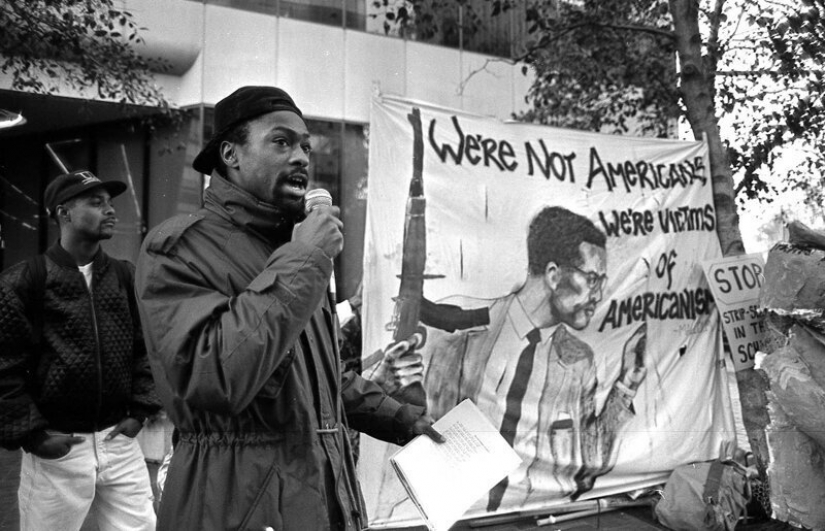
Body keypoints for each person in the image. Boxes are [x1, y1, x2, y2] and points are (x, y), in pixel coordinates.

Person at [135, 86, 442, 531]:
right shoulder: (180, 248)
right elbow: (213, 377)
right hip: (236, 504)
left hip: (321, 499)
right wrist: (305, 261)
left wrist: (403, 419)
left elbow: (317, 378)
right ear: (230, 154)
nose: (300, 156)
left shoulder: (294, 249)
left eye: (304, 146)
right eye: (281, 142)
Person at [418, 206, 647, 511]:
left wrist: (626, 386)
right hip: (448, 517)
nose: (599, 294)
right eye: (592, 279)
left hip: (528, 519)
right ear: (554, 275)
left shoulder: (578, 362)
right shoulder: (457, 332)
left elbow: (587, 463)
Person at [0, 170, 160, 531]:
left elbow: (146, 347)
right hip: (59, 448)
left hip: (119, 441)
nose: (110, 211)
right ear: (64, 213)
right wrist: (34, 436)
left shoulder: (123, 276)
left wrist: (140, 410)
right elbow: (5, 367)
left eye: (110, 203)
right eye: (96, 202)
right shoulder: (25, 282)